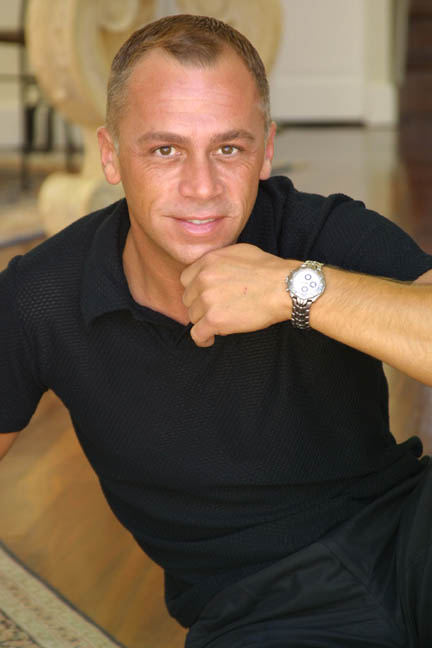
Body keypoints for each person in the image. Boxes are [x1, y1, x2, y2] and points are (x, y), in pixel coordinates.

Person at [1, 13, 432, 647]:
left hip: (408, 536)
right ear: (111, 155)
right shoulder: (42, 295)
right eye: (165, 150)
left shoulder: (318, 231)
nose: (202, 188)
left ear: (266, 150)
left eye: (229, 148)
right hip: (259, 609)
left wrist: (295, 289)